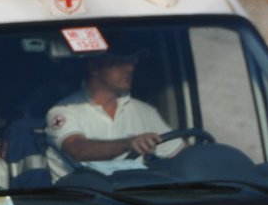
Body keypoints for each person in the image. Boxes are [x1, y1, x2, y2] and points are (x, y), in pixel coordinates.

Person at [46, 50, 184, 179]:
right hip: (77, 200)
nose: (130, 68)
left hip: (134, 199)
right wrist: (128, 143)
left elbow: (181, 155)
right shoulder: (63, 111)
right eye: (119, 62)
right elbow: (77, 148)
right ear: (94, 67)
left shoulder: (144, 111)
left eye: (132, 61)